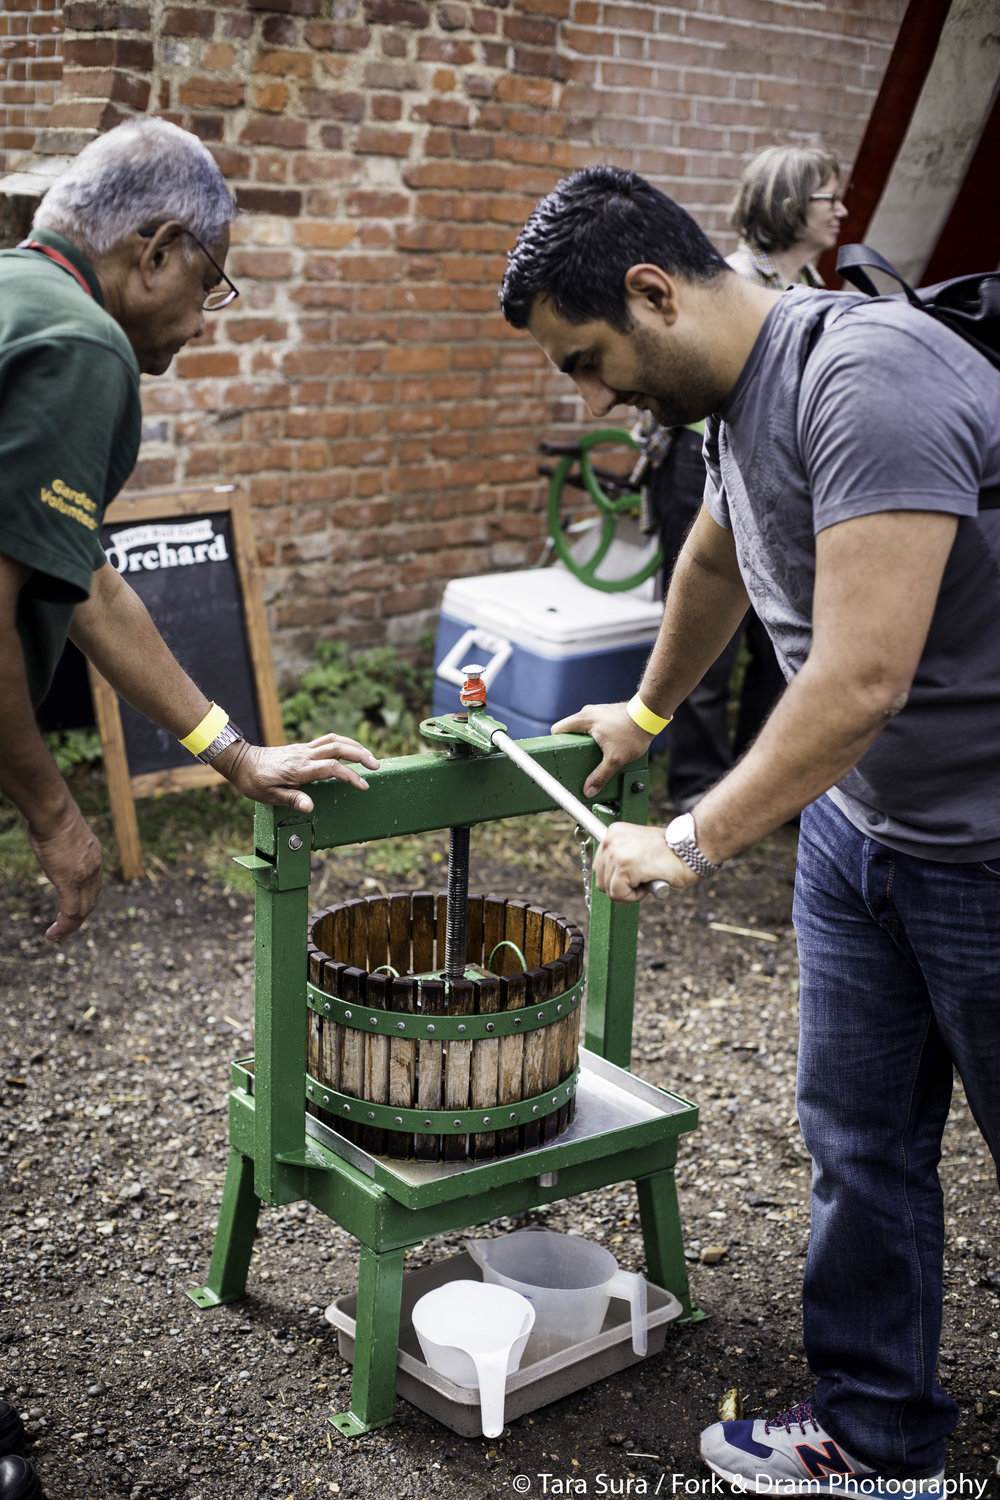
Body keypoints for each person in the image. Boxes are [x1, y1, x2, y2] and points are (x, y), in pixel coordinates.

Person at [500, 164, 1000, 1495]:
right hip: (860, 836)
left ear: (655, 293)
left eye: (590, 361)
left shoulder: (869, 380)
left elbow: (860, 678)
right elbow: (719, 560)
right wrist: (648, 716)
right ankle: (881, 1437)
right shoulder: (734, 401)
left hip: (988, 852)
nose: (594, 400)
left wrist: (694, 837)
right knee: (859, 1144)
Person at [0, 117, 379, 1500]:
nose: (207, 319)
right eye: (210, 282)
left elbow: (79, 576)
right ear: (153, 248)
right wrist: (54, 807)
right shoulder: (86, 345)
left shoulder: (15, 295)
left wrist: (228, 750)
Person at [635, 143, 845, 811]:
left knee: (774, 632)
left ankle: (762, 788)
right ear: (789, 206)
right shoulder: (724, 287)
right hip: (701, 474)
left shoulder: (814, 294)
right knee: (708, 635)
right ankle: (697, 789)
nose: (843, 210)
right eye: (828, 199)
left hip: (787, 479)